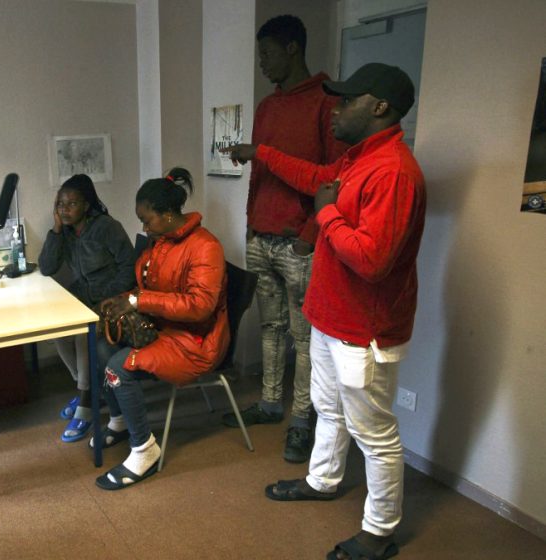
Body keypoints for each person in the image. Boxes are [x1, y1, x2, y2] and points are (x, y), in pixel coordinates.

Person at [225, 63, 425, 560]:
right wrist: (265, 156)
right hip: (329, 317)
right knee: (328, 410)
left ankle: (380, 532)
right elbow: (315, 176)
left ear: (379, 107)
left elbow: (373, 260)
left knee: (374, 434)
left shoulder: (395, 171)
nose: (334, 109)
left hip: (364, 328)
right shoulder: (358, 159)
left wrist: (326, 213)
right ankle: (322, 481)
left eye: (346, 100)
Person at [221, 14, 347, 465]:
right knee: (270, 326)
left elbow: (334, 180)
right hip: (263, 236)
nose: (261, 64)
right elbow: (260, 171)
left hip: (298, 243)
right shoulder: (268, 107)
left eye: (267, 53)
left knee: (305, 334)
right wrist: (251, 221)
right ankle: (271, 403)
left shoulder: (327, 102)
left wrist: (310, 237)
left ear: (292, 49)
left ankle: (301, 419)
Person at [93, 167, 229, 490]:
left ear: (168, 215)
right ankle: (120, 420)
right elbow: (150, 288)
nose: (143, 227)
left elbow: (199, 307)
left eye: (147, 219)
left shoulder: (205, 247)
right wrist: (123, 301)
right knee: (101, 345)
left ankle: (145, 450)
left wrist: (138, 301)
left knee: (118, 367)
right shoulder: (162, 240)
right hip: (165, 329)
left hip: (196, 341)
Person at [38, 174, 136, 442]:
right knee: (59, 330)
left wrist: (106, 296)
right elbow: (47, 267)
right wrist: (56, 230)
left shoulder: (107, 227)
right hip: (83, 297)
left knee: (84, 332)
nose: (64, 210)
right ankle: (89, 388)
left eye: (71, 204)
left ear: (87, 205)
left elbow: (130, 268)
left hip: (113, 301)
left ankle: (87, 403)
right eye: (60, 204)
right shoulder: (67, 232)